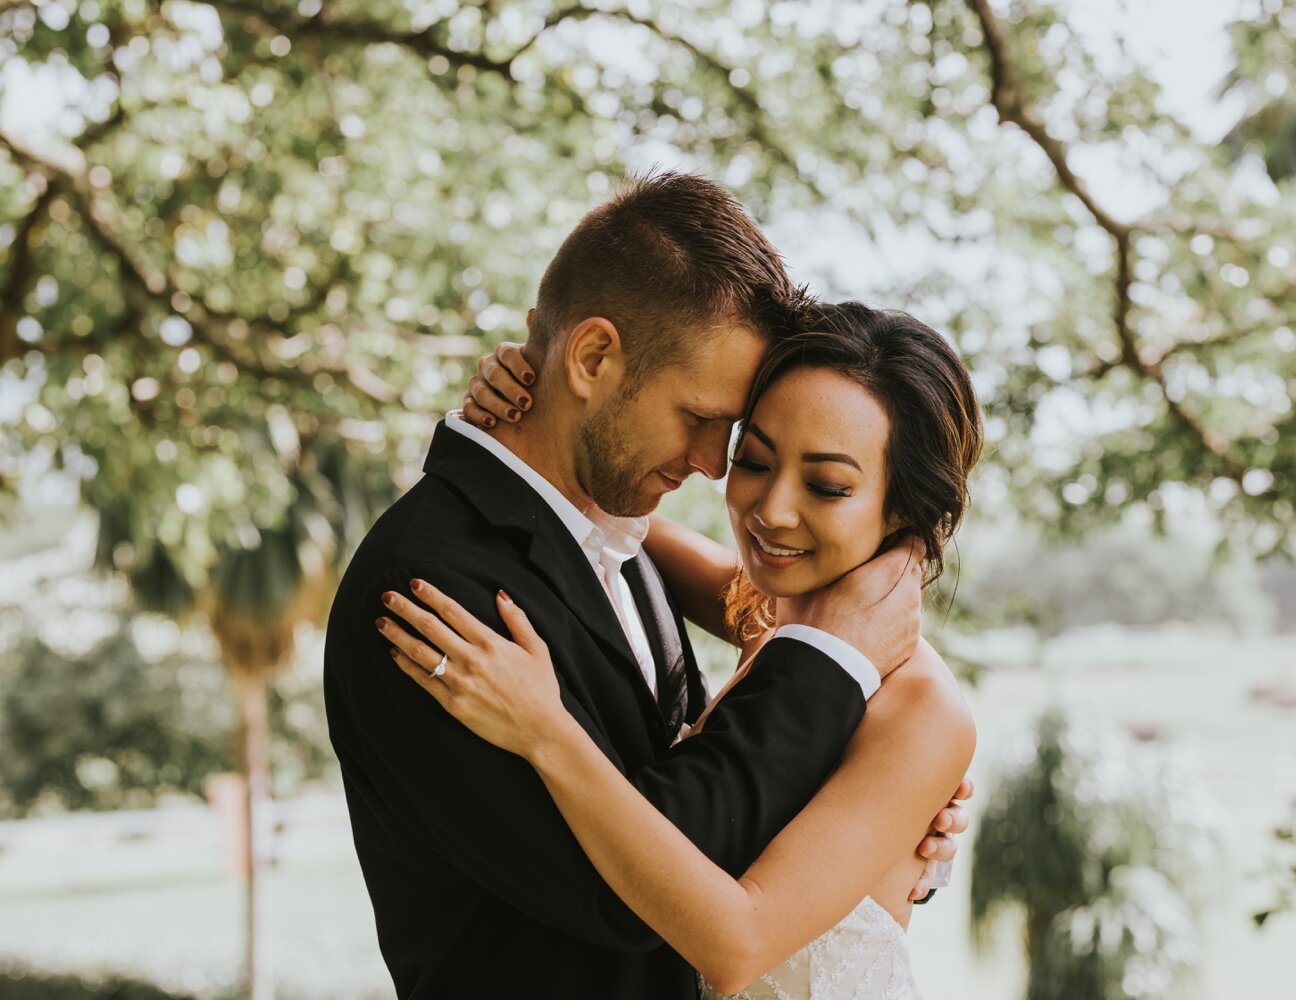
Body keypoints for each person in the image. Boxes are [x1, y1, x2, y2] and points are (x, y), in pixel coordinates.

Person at [324, 172, 969, 999]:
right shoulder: (436, 588)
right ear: (593, 356)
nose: (716, 470)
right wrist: (503, 413)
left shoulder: (634, 547)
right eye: (736, 444)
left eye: (829, 484)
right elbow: (651, 893)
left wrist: (893, 815)